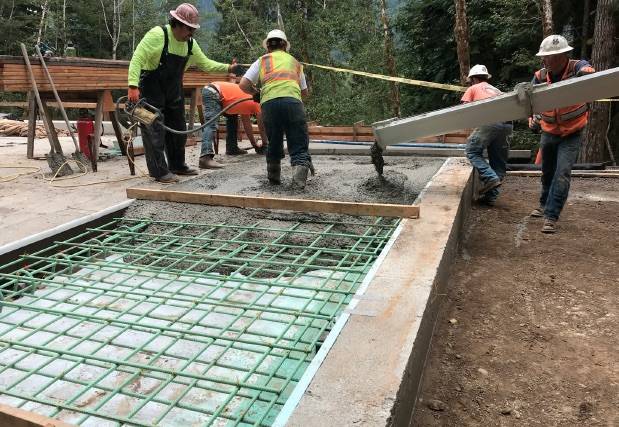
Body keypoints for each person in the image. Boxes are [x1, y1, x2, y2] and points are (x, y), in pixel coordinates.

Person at [127, 3, 241, 183]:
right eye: (189, 29)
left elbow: (206, 64)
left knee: (179, 129)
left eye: (193, 30)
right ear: (177, 24)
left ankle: (177, 165)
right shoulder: (158, 35)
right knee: (154, 131)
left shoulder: (190, 44)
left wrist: (228, 68)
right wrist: (133, 86)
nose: (191, 33)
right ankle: (159, 172)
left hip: (174, 91)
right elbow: (137, 58)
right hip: (151, 89)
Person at [528, 35, 595, 233]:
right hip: (549, 131)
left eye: (548, 57)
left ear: (562, 56)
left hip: (572, 131)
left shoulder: (577, 67)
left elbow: (590, 73)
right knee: (547, 171)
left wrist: (586, 74)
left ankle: (551, 215)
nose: (544, 60)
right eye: (544, 57)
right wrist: (532, 117)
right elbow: (530, 100)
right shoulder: (540, 76)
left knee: (562, 172)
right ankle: (543, 204)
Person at [239, 29, 313, 188]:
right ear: (285, 46)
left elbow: (243, 85)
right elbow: (305, 92)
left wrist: (256, 93)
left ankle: (273, 178)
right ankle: (299, 182)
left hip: (269, 105)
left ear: (268, 47)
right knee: (298, 141)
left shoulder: (262, 61)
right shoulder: (295, 62)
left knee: (274, 140)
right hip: (293, 103)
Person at [461, 64, 512, 205]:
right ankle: (491, 197)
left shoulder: (473, 88)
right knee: (498, 162)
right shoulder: (497, 90)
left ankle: (490, 178)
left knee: (472, 151)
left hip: (489, 120)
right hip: (507, 124)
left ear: (473, 79)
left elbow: (464, 110)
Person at [199, 81, 268, 169]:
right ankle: (205, 158)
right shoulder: (259, 101)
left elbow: (247, 125)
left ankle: (232, 148)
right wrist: (265, 144)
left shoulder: (247, 102)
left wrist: (254, 144)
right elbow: (262, 127)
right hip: (214, 91)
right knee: (211, 125)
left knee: (232, 118)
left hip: (216, 91)